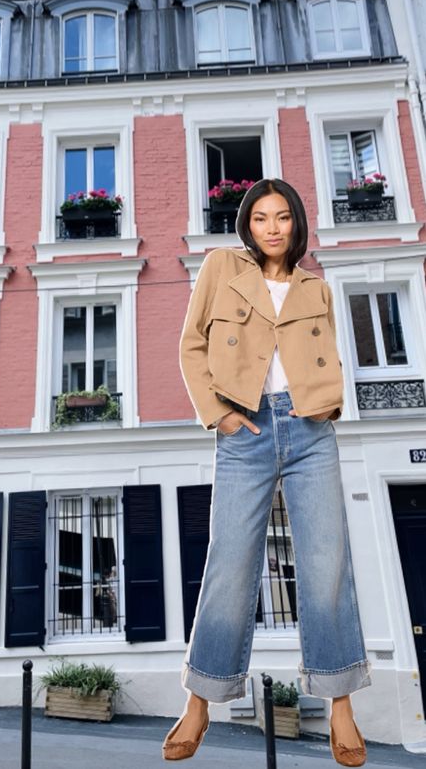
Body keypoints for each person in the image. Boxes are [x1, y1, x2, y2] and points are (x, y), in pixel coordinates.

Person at [162, 178, 371, 766]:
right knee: (229, 564)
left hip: (310, 430)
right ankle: (201, 700)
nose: (272, 227)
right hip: (245, 428)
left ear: (296, 223)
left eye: (282, 217)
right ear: (247, 226)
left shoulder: (316, 288)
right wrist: (220, 415)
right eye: (260, 218)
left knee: (327, 563)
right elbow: (190, 345)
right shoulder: (221, 268)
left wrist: (326, 409)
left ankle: (340, 704)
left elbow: (324, 356)